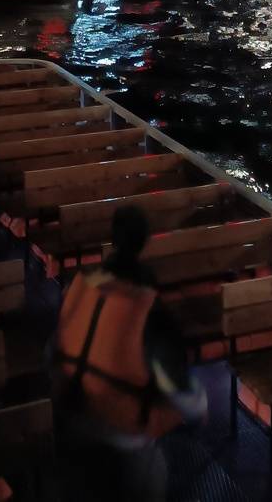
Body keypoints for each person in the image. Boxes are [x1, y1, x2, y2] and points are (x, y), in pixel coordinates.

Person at [53, 204, 205, 502]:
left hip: (68, 428)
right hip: (121, 447)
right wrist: (196, 405)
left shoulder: (78, 288)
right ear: (143, 243)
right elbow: (186, 398)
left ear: (113, 239)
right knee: (156, 469)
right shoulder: (148, 311)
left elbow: (53, 355)